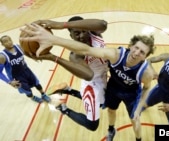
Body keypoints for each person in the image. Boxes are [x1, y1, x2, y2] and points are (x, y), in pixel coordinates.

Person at [19, 23, 155, 141]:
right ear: (130, 46)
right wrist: (53, 39)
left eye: (142, 52)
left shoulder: (146, 72)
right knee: (110, 111)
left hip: (130, 94)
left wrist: (138, 108)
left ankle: (138, 138)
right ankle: (111, 130)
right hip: (113, 87)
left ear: (145, 57)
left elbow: (147, 88)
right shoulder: (115, 54)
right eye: (136, 48)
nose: (137, 53)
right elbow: (86, 49)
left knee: (135, 119)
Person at [34, 16, 109, 131]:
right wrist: (53, 57)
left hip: (103, 78)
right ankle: (64, 109)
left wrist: (62, 25)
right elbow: (89, 75)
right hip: (91, 87)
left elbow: (102, 24)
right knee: (92, 125)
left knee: (101, 104)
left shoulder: (95, 35)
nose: (82, 35)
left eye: (84, 31)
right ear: (71, 36)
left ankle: (68, 90)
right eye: (77, 33)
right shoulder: (75, 55)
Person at [0, 35, 51, 103]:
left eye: (10, 39)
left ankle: (43, 94)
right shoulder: (2, 56)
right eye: (6, 41)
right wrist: (9, 82)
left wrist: (33, 57)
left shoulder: (18, 46)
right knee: (27, 90)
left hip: (26, 70)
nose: (9, 42)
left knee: (37, 84)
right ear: (2, 44)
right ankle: (33, 98)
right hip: (16, 77)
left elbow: (25, 53)